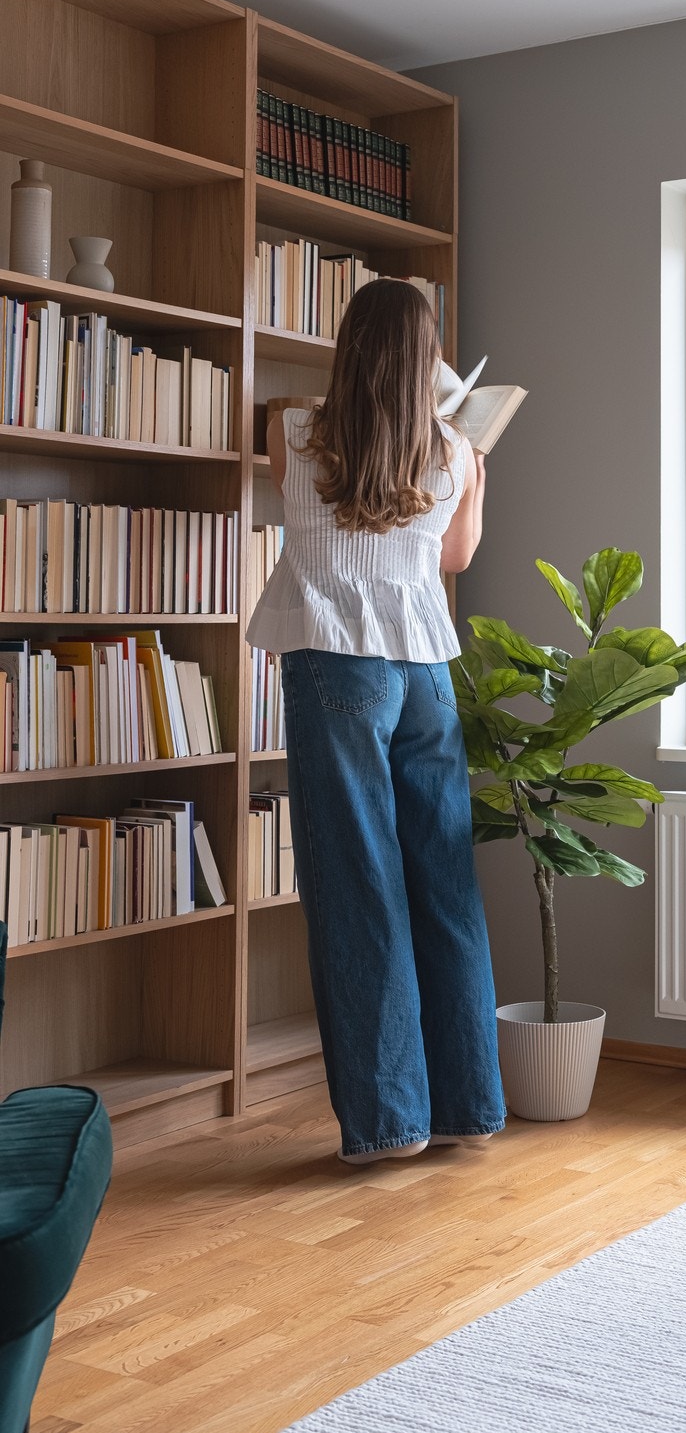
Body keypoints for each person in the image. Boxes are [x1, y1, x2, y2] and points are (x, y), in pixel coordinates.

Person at [246, 277, 506, 1164]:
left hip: (336, 666)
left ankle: (391, 1122)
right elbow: (456, 557)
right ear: (425, 357)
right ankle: (469, 1107)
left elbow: (298, 507)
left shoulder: (295, 433)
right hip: (426, 671)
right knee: (445, 885)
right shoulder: (455, 453)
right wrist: (473, 478)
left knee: (358, 886)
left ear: (349, 345)